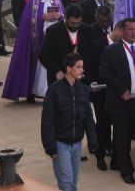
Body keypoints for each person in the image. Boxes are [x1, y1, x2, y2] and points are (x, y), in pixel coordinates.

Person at [99, 18, 135, 185]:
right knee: (122, 139)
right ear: (122, 31)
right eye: (130, 29)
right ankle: (126, 171)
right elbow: (105, 72)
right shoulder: (111, 50)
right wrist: (121, 90)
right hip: (121, 102)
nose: (133, 32)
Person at [3, 0, 65, 102]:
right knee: (36, 65)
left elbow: (64, 15)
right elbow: (26, 19)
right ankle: (32, 91)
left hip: (53, 38)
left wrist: (59, 16)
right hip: (37, 37)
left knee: (51, 64)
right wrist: (42, 17)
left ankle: (49, 92)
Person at [41, 53, 97, 191]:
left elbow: (88, 118)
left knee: (73, 182)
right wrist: (50, 147)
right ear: (68, 68)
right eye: (78, 67)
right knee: (67, 184)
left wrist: (93, 141)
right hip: (60, 145)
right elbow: (47, 121)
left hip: (77, 144)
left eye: (82, 67)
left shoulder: (83, 89)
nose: (82, 70)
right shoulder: (54, 91)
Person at [83, 21, 123, 172]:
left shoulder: (123, 46)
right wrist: (92, 82)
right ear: (117, 30)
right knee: (102, 124)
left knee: (119, 125)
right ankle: (100, 156)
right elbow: (87, 65)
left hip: (117, 92)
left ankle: (115, 158)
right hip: (100, 92)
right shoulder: (97, 44)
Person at [40, 4, 89, 88]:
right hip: (59, 79)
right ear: (65, 17)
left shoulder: (86, 29)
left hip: (81, 80)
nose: (76, 26)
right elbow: (44, 55)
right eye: (72, 23)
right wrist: (57, 71)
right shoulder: (53, 31)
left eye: (78, 23)